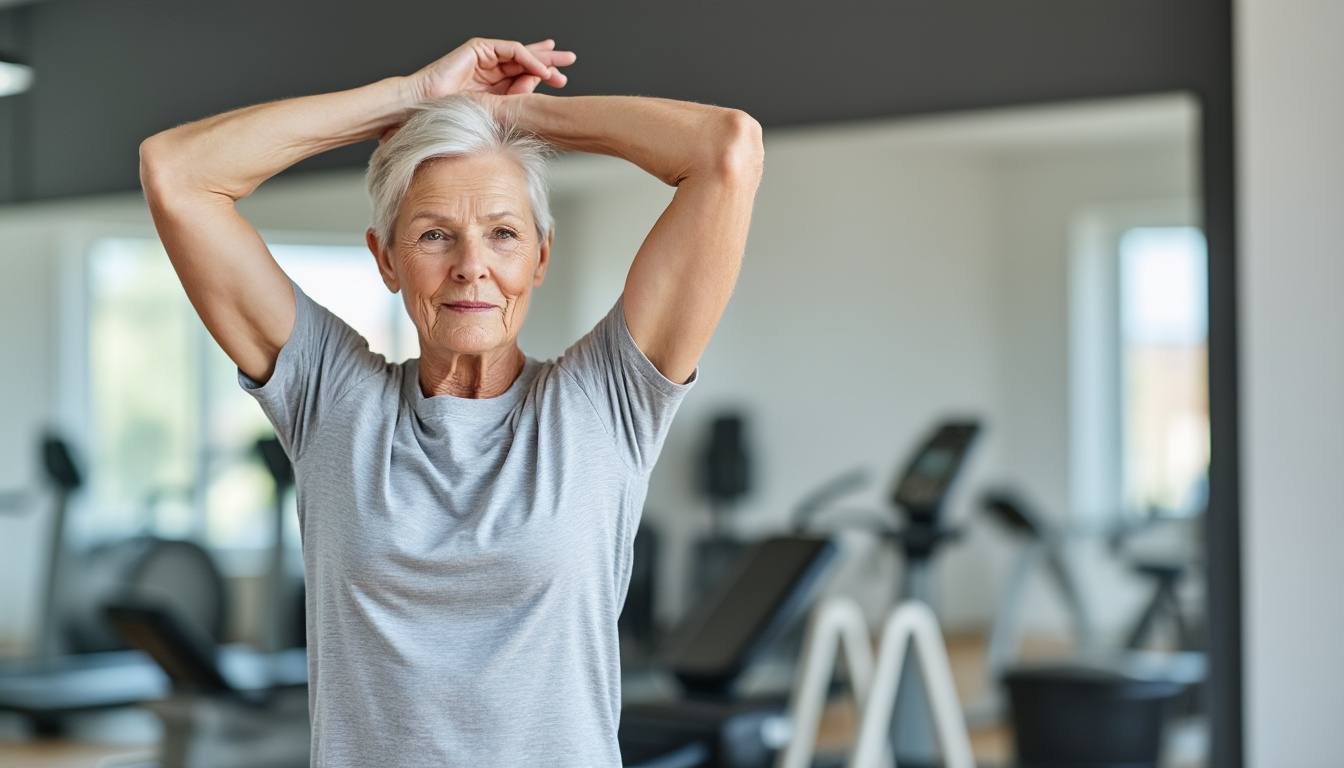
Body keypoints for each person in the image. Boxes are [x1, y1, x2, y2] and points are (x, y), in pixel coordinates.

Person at [139, 37, 763, 767]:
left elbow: (727, 149)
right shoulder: (334, 402)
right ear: (387, 258)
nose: (472, 266)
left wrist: (516, 114)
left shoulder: (605, 402)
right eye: (436, 235)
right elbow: (177, 174)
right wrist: (410, 97)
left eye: (502, 233)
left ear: (539, 256)